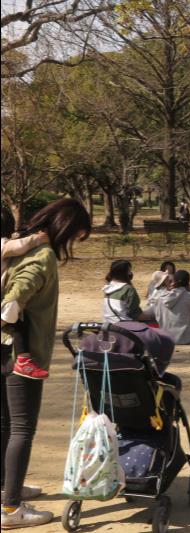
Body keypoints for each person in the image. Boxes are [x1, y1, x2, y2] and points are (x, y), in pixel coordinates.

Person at [1, 198, 91, 529]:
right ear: (66, 228)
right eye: (77, 235)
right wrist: (13, 304)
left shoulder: (15, 246)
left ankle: (7, 488)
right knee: (23, 428)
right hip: (21, 354)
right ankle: (11, 510)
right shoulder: (43, 256)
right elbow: (21, 290)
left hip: (1, 349)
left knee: (6, 426)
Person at [0, 209, 50, 380]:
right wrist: (41, 238)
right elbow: (21, 246)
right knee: (20, 319)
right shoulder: (4, 245)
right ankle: (23, 360)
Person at [151, 270, 190, 344]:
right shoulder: (189, 296)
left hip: (166, 338)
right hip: (187, 338)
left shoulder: (160, 297)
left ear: (173, 281)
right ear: (188, 283)